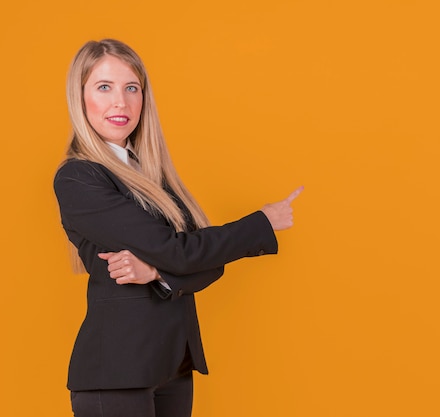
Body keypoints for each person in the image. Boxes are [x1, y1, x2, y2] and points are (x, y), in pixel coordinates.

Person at [53, 38, 302, 417]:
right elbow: (183, 253)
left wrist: (155, 270)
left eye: (131, 88)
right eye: (104, 87)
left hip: (172, 366)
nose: (121, 102)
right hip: (118, 372)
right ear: (79, 96)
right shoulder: (78, 178)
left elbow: (202, 260)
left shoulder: (153, 176)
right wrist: (262, 223)